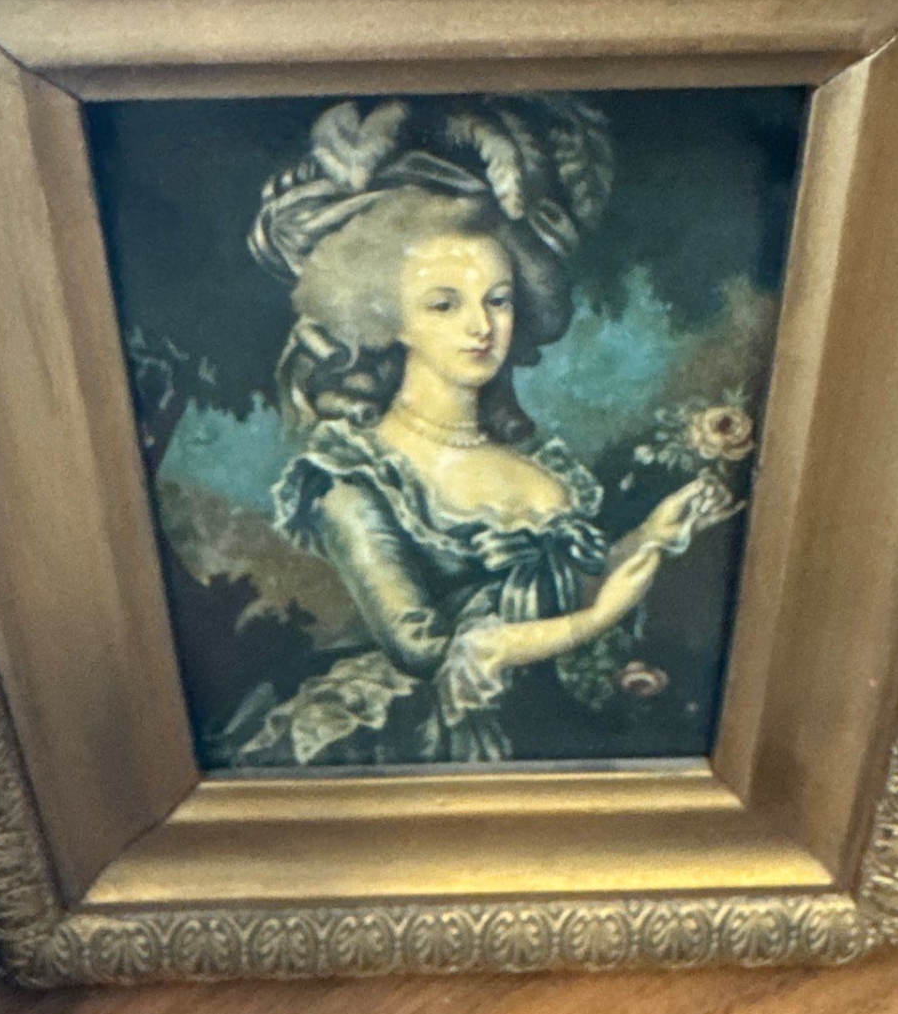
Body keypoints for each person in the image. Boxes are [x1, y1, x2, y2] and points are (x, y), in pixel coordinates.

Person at [225, 100, 739, 768]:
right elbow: (431, 653)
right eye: (445, 304)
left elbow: (563, 590)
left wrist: (650, 537)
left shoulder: (535, 462)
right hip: (445, 747)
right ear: (386, 316)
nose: (481, 327)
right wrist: (599, 617)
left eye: (498, 300)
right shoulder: (352, 483)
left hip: (557, 735)